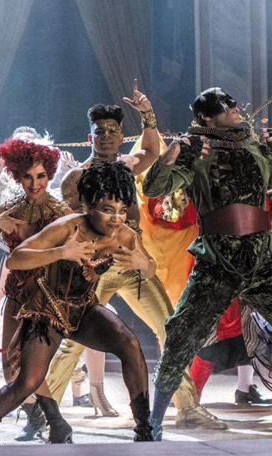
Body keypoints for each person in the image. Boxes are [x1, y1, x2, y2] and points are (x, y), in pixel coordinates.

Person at [47, 84, 225, 429]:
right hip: (93, 271)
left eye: (112, 131)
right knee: (74, 340)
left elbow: (150, 149)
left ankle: (187, 407)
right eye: (100, 131)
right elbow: (66, 226)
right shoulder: (77, 178)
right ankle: (46, 408)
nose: (106, 136)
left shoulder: (128, 166)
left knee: (172, 330)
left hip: (133, 263)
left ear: (120, 135)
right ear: (90, 136)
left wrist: (147, 115)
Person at [0, 161, 155, 444]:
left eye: (121, 210)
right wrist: (61, 252)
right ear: (89, 206)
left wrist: (144, 263)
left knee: (129, 343)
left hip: (84, 310)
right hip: (46, 311)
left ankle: (144, 429)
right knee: (28, 380)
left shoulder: (126, 235)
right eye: (107, 209)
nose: (116, 219)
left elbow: (150, 268)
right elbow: (15, 259)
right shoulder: (67, 226)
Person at [143, 87, 272, 440]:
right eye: (224, 105)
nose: (233, 107)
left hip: (262, 259)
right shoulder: (196, 151)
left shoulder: (255, 148)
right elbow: (154, 189)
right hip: (218, 262)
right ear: (207, 117)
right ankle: (154, 418)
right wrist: (171, 154)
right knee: (181, 334)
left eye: (232, 102)